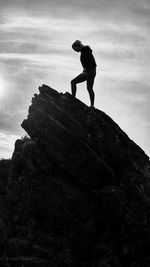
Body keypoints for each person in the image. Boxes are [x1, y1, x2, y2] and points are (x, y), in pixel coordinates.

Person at [71, 40, 97, 108]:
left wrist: (86, 71)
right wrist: (84, 71)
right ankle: (73, 98)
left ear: (78, 46)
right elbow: (86, 64)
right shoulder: (83, 52)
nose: (75, 51)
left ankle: (92, 105)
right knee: (73, 82)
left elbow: (91, 62)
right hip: (87, 71)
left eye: (75, 49)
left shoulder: (86, 50)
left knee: (89, 88)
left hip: (91, 72)